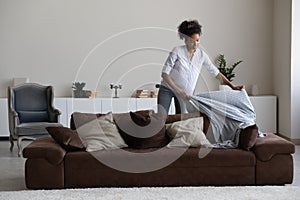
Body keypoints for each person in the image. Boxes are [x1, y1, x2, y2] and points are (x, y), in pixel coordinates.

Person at [157, 19, 243, 114]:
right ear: (185, 40)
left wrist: (232, 86)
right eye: (192, 41)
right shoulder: (177, 51)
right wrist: (178, 91)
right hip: (168, 89)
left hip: (184, 94)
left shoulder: (202, 55)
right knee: (161, 118)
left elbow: (216, 73)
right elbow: (165, 73)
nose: (195, 44)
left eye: (197, 40)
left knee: (182, 121)